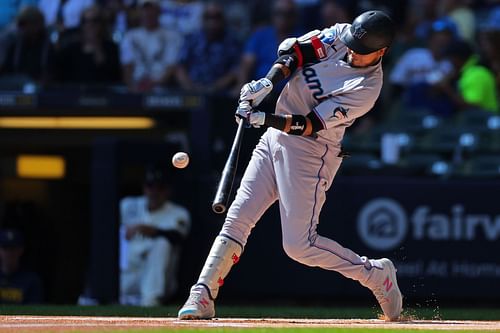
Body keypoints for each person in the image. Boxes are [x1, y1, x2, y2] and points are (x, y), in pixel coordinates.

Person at [178, 10, 403, 321]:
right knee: (237, 219)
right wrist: (267, 84)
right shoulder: (343, 34)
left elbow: (310, 125)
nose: (352, 51)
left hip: (311, 152)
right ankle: (202, 293)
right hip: (274, 139)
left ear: (382, 52)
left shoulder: (366, 88)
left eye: (362, 51)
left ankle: (375, 274)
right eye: (352, 44)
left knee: (299, 246)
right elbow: (296, 52)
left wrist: (264, 118)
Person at [120, 166, 190, 306]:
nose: (154, 192)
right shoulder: (128, 205)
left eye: (160, 188)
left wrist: (153, 231)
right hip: (128, 273)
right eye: (150, 186)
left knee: (162, 243)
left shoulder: (178, 213)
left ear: (168, 190)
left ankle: (150, 302)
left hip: (158, 279)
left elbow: (177, 237)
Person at [174, 2, 240, 93]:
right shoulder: (192, 38)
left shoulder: (231, 40)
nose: (212, 21)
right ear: (202, 19)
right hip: (192, 91)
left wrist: (215, 87)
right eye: (208, 17)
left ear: (223, 19)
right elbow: (180, 67)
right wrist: (189, 87)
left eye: (217, 17)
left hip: (220, 92)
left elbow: (236, 69)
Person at [120, 0, 183, 92]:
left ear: (159, 11)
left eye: (151, 9)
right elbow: (127, 67)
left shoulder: (172, 35)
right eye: (144, 9)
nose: (148, 13)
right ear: (139, 12)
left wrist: (154, 84)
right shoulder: (130, 36)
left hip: (163, 89)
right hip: (137, 87)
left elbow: (172, 66)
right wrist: (132, 89)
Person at [55, 5, 121, 84]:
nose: (89, 25)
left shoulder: (111, 49)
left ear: (102, 24)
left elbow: (114, 79)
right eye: (85, 21)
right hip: (75, 94)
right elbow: (60, 80)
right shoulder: (70, 50)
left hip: (102, 95)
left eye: (94, 21)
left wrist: (98, 50)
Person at [434, 40, 498, 113]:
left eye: (449, 58)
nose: (448, 62)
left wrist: (447, 88)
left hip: (485, 120)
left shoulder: (476, 74)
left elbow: (472, 107)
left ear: (457, 58)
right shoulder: (464, 73)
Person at [0, 6, 55, 85]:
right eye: (20, 24)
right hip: (17, 87)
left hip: (40, 91)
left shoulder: (48, 47)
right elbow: (7, 70)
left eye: (24, 24)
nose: (21, 28)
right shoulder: (15, 45)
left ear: (38, 24)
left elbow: (51, 73)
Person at [0, 229, 43, 304]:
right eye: (5, 248)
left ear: (21, 250)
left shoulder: (31, 280)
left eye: (13, 249)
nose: (9, 253)